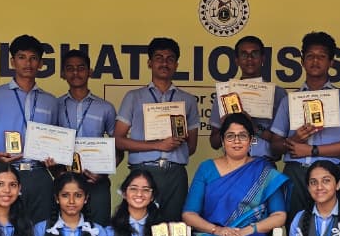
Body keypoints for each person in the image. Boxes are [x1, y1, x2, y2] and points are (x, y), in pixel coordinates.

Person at [0, 35, 59, 224]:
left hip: (40, 174)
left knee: (42, 230)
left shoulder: (51, 101)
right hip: (6, 173)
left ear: (41, 64)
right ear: (12, 62)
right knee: (5, 228)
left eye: (33, 58)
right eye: (22, 57)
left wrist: (54, 161)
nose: (28, 63)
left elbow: (57, 139)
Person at [271, 32, 340, 219]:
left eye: (321, 56)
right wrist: (294, 139)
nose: (315, 61)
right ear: (302, 61)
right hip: (296, 172)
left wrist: (312, 150)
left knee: (331, 228)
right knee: (295, 226)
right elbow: (275, 145)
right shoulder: (290, 99)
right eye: (310, 56)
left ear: (331, 62)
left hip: (330, 172)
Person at [115, 37, 200, 216]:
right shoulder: (134, 97)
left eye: (170, 59)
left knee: (173, 227)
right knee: (140, 224)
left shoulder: (188, 100)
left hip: (175, 174)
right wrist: (158, 145)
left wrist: (178, 141)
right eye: (159, 58)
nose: (164, 63)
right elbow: (118, 140)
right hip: (142, 171)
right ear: (150, 63)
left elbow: (191, 146)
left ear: (176, 65)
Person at [56, 49, 119, 222]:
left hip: (96, 183)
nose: (76, 73)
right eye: (70, 68)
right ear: (63, 74)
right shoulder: (55, 105)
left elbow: (119, 147)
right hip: (65, 181)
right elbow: (49, 146)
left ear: (90, 72)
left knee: (99, 229)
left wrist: (104, 172)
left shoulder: (106, 107)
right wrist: (58, 173)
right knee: (65, 230)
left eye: (81, 68)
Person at [208, 35, 286, 160]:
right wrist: (227, 124)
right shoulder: (225, 92)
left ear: (263, 58)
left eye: (254, 54)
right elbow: (214, 143)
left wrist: (252, 126)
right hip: (232, 163)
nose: (249, 59)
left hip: (264, 162)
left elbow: (280, 143)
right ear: (237, 61)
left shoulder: (278, 94)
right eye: (244, 55)